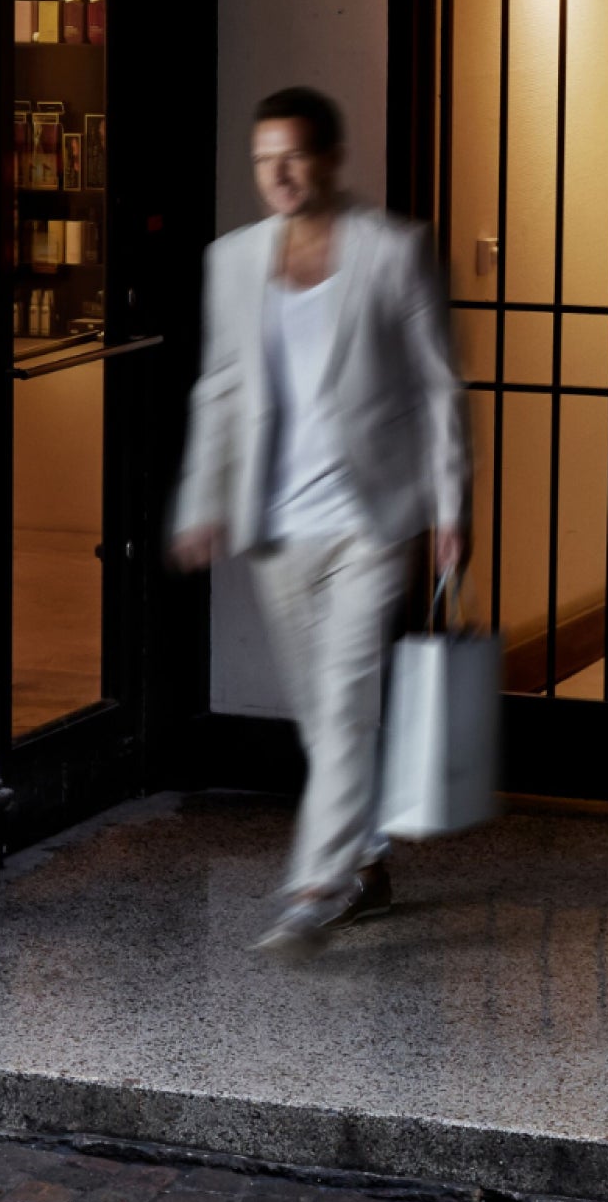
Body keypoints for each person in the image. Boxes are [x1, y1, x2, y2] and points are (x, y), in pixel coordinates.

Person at [170, 85, 468, 950]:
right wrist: (202, 502)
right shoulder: (233, 261)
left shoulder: (393, 252)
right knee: (317, 708)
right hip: (278, 524)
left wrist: (453, 505)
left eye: (295, 154)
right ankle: (368, 859)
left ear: (332, 159)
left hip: (372, 518)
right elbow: (221, 386)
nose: (280, 172)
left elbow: (439, 385)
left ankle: (316, 886)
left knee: (341, 700)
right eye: (265, 158)